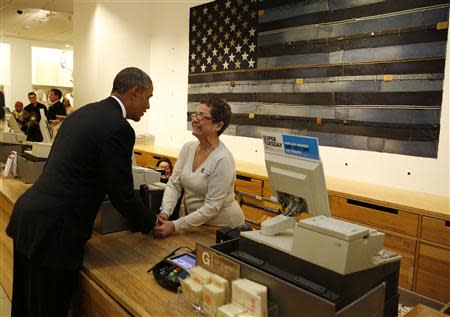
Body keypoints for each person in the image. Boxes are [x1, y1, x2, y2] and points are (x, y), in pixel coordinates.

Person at [6, 67, 156, 317]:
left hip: (30, 217)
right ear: (134, 92)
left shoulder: (82, 113)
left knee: (25, 304)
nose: (148, 106)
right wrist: (150, 222)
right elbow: (120, 193)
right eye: (148, 97)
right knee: (48, 309)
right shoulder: (119, 128)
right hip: (56, 230)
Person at [153, 97, 245, 238]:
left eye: (202, 116)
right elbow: (174, 184)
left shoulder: (223, 159)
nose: (195, 120)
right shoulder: (188, 148)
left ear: (218, 126)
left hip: (221, 228)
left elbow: (212, 207)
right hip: (193, 224)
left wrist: (174, 225)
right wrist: (165, 212)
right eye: (195, 114)